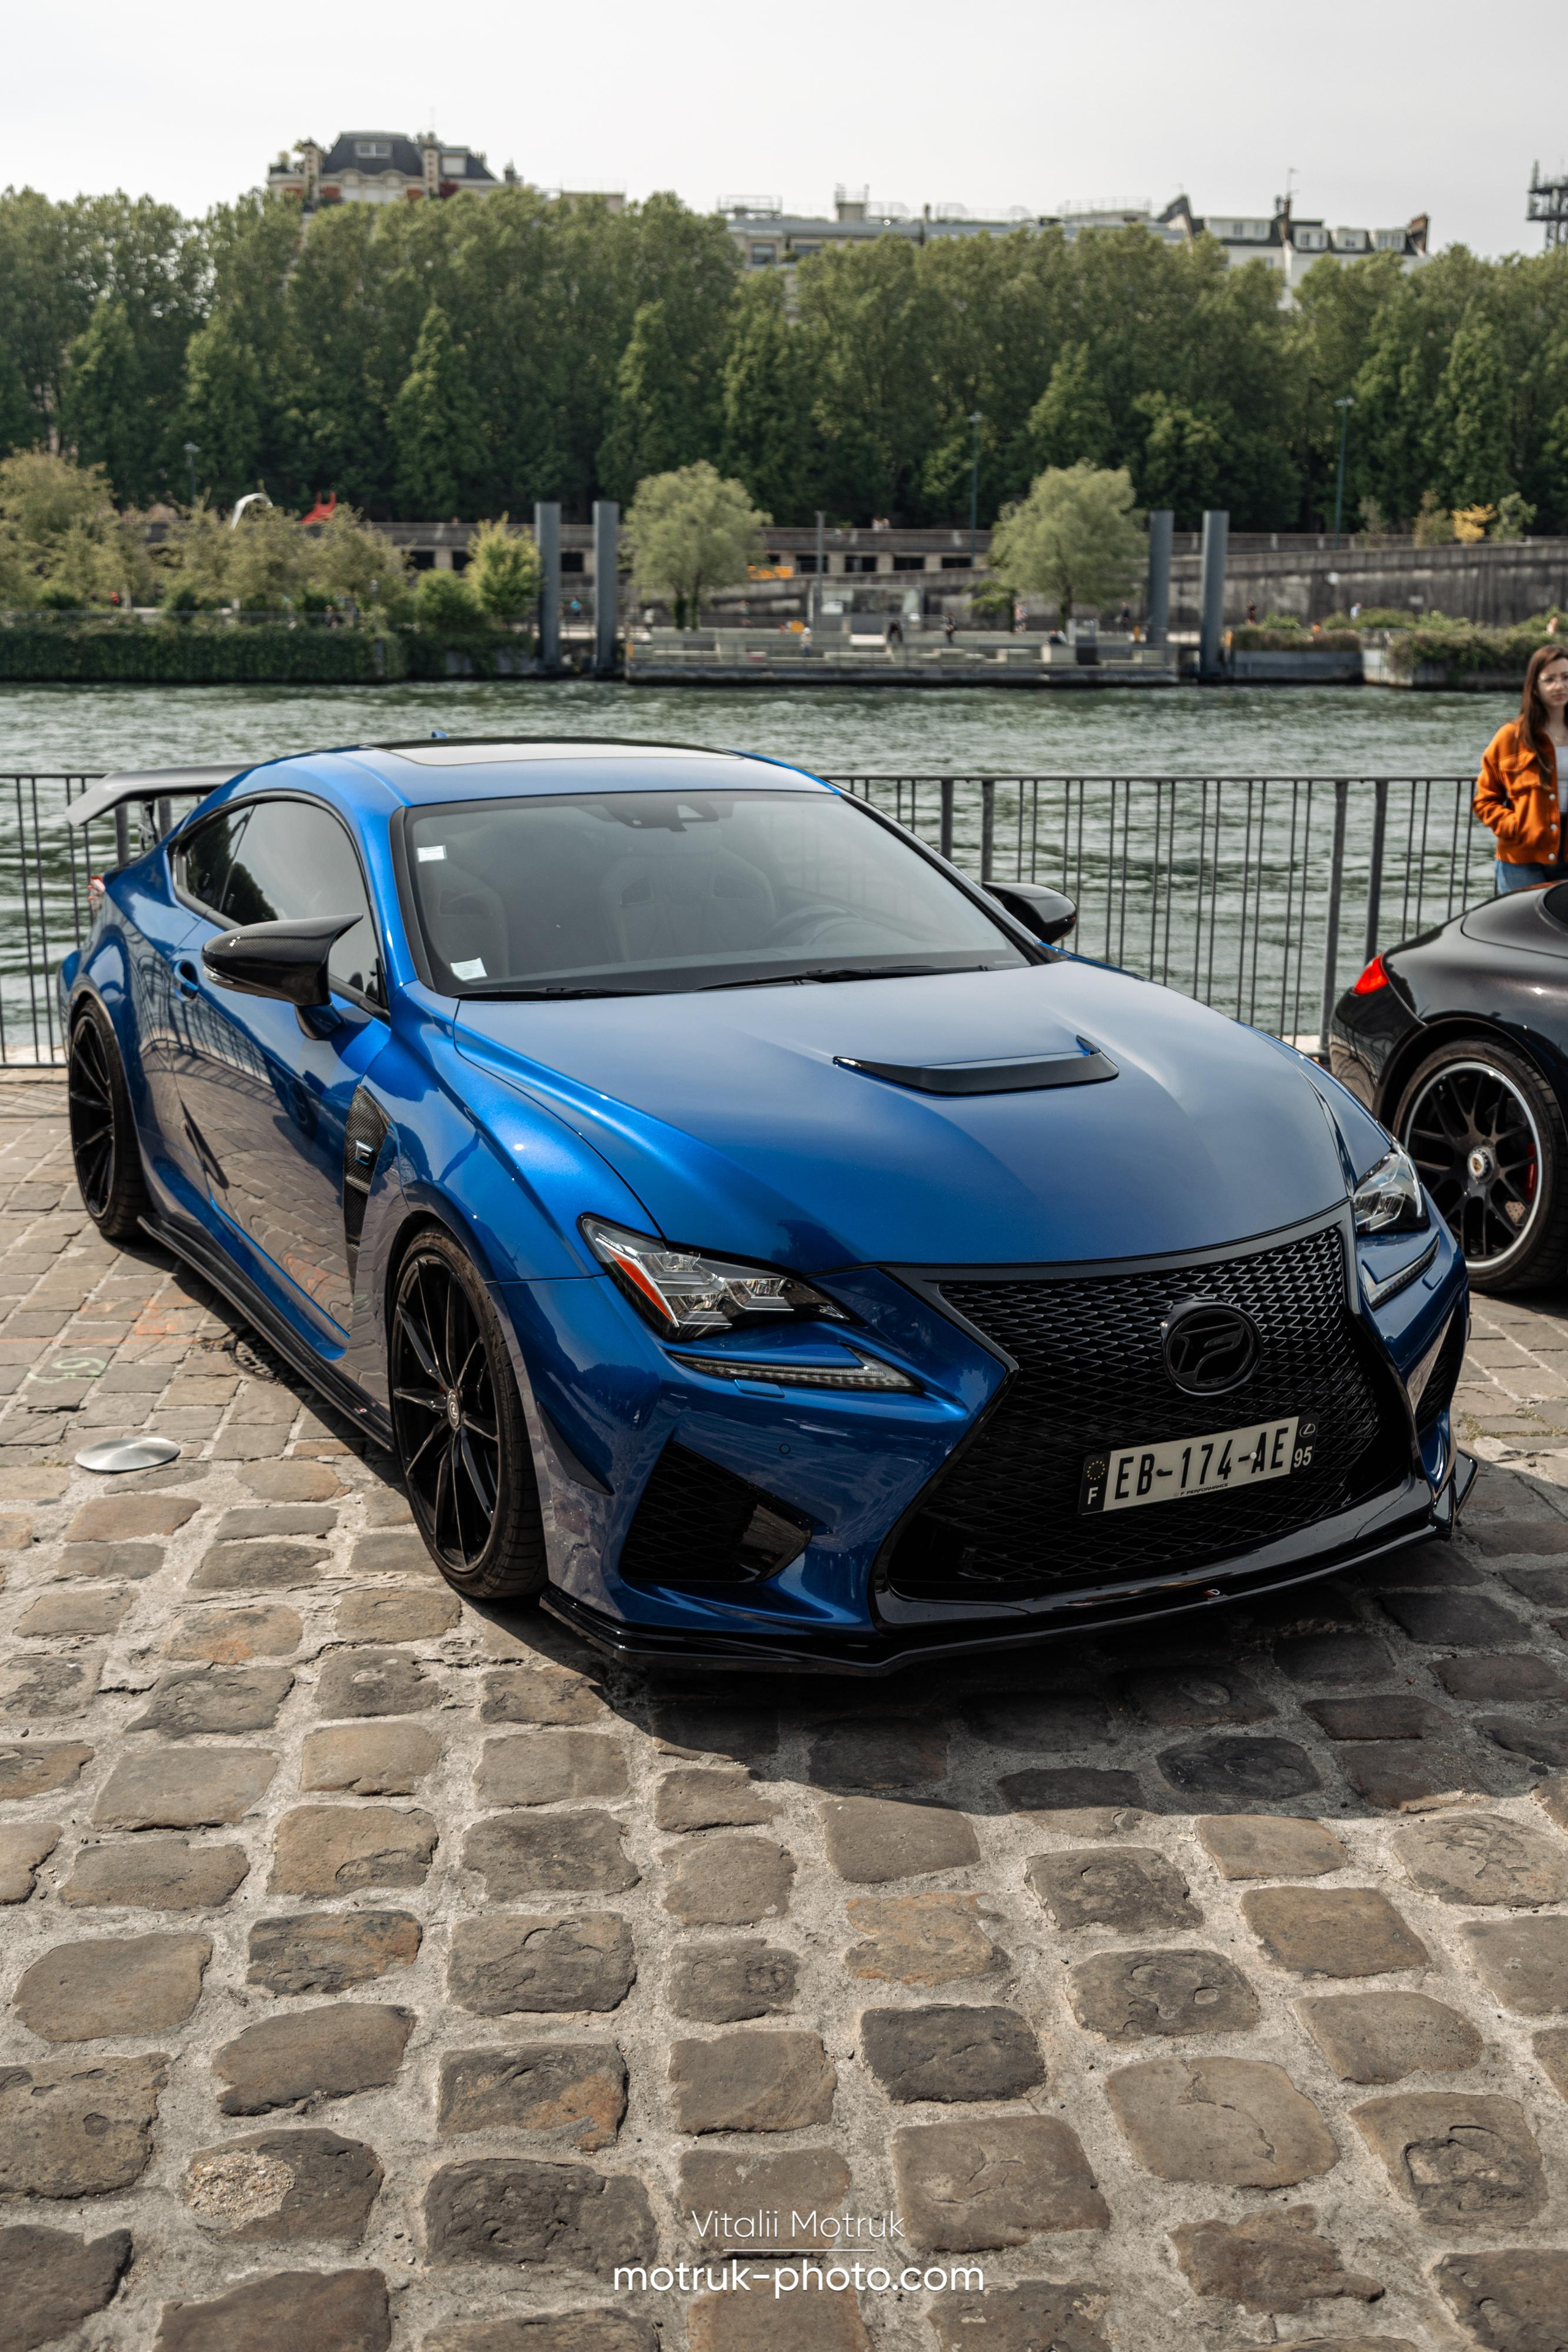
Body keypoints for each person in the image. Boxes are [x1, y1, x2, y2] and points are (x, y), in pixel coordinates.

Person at [1474, 643, 1568, 892]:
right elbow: (1485, 800)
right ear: (1535, 687)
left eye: (1566, 677)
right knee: (1524, 920)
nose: (1560, 686)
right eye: (1550, 680)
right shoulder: (1510, 737)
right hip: (1521, 858)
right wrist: (1516, 826)